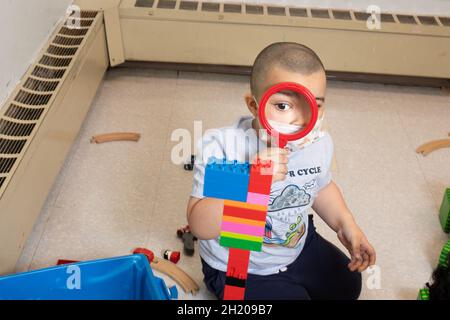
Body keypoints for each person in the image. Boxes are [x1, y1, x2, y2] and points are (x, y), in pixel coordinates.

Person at [186, 42, 376, 300]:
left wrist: (347, 225)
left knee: (349, 285)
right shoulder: (224, 147)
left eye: (315, 105)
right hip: (241, 264)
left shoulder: (317, 142)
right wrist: (250, 179)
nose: (301, 119)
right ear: (254, 105)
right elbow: (200, 225)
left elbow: (320, 186)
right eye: (283, 106)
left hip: (297, 245)